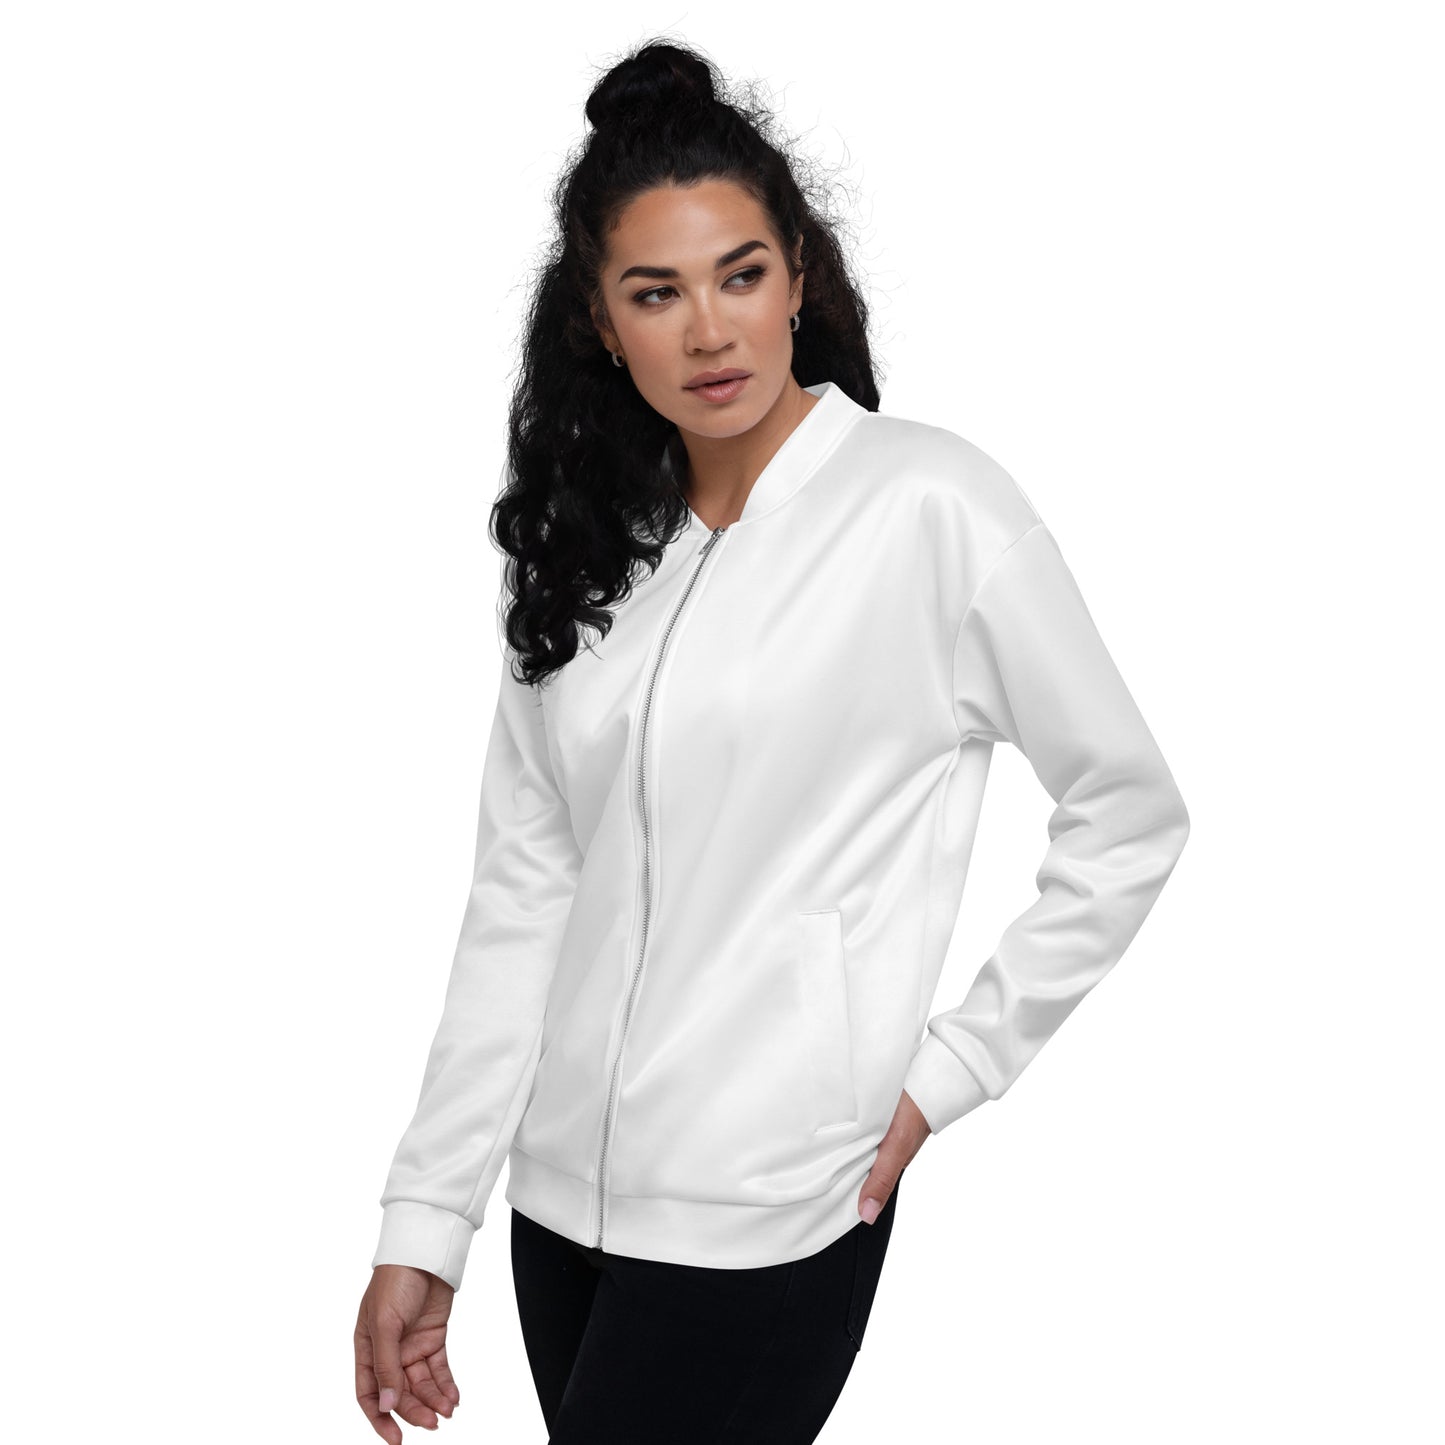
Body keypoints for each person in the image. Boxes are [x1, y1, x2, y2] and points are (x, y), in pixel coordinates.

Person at [354, 36, 1190, 1445]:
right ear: (599, 323)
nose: (708, 331)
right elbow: (522, 896)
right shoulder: (588, 550)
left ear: (798, 275)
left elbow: (1129, 810)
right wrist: (428, 1215)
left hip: (772, 1212)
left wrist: (950, 1072)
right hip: (558, 1213)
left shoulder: (931, 510)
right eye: (655, 292)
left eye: (739, 275)